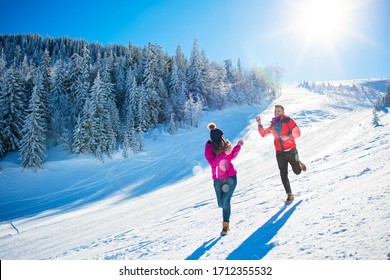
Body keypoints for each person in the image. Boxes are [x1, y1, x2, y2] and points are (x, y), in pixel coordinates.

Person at [256, 105, 306, 203]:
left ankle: (299, 164)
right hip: (280, 153)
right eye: (275, 111)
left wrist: (288, 137)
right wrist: (259, 124)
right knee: (283, 174)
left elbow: (298, 133)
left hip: (291, 151)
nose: (276, 113)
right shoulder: (273, 125)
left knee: (297, 172)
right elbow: (263, 134)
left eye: (278, 111)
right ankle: (289, 195)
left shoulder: (288, 121)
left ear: (283, 112)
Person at [204, 122, 244, 236]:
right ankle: (225, 219)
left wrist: (238, 146)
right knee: (221, 204)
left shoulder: (225, 145)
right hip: (218, 180)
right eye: (221, 137)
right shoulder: (209, 149)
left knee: (226, 201)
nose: (223, 139)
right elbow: (213, 163)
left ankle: (225, 227)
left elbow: (231, 156)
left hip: (231, 177)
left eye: (223, 137)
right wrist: (223, 154)